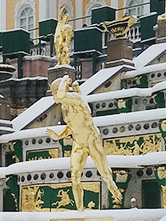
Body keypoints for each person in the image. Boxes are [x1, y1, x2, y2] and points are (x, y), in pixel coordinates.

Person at [46, 75, 122, 210]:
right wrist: (59, 136)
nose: (53, 96)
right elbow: (72, 126)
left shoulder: (77, 99)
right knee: (74, 176)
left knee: (103, 171)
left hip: (91, 139)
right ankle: (80, 209)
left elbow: (61, 96)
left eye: (54, 91)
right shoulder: (64, 107)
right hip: (78, 143)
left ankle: (113, 187)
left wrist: (63, 80)